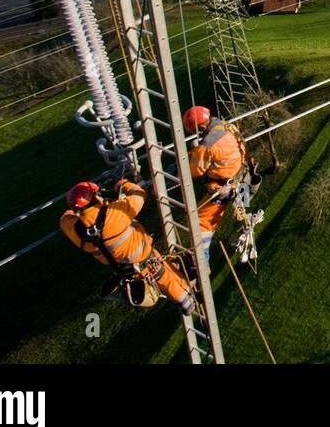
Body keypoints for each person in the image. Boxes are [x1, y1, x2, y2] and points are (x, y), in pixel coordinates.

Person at [60, 178, 195, 314]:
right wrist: (123, 185)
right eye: (97, 194)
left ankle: (185, 279)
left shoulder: (75, 229)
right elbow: (138, 194)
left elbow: (65, 218)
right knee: (165, 279)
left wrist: (77, 210)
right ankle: (187, 301)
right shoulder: (112, 214)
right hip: (146, 262)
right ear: (95, 197)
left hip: (126, 270)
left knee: (164, 271)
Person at [182, 105, 253, 271]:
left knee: (200, 222)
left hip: (225, 188)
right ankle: (241, 231)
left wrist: (195, 151)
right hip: (244, 179)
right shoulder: (225, 125)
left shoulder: (207, 144)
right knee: (243, 215)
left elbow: (194, 170)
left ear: (200, 127)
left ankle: (200, 264)